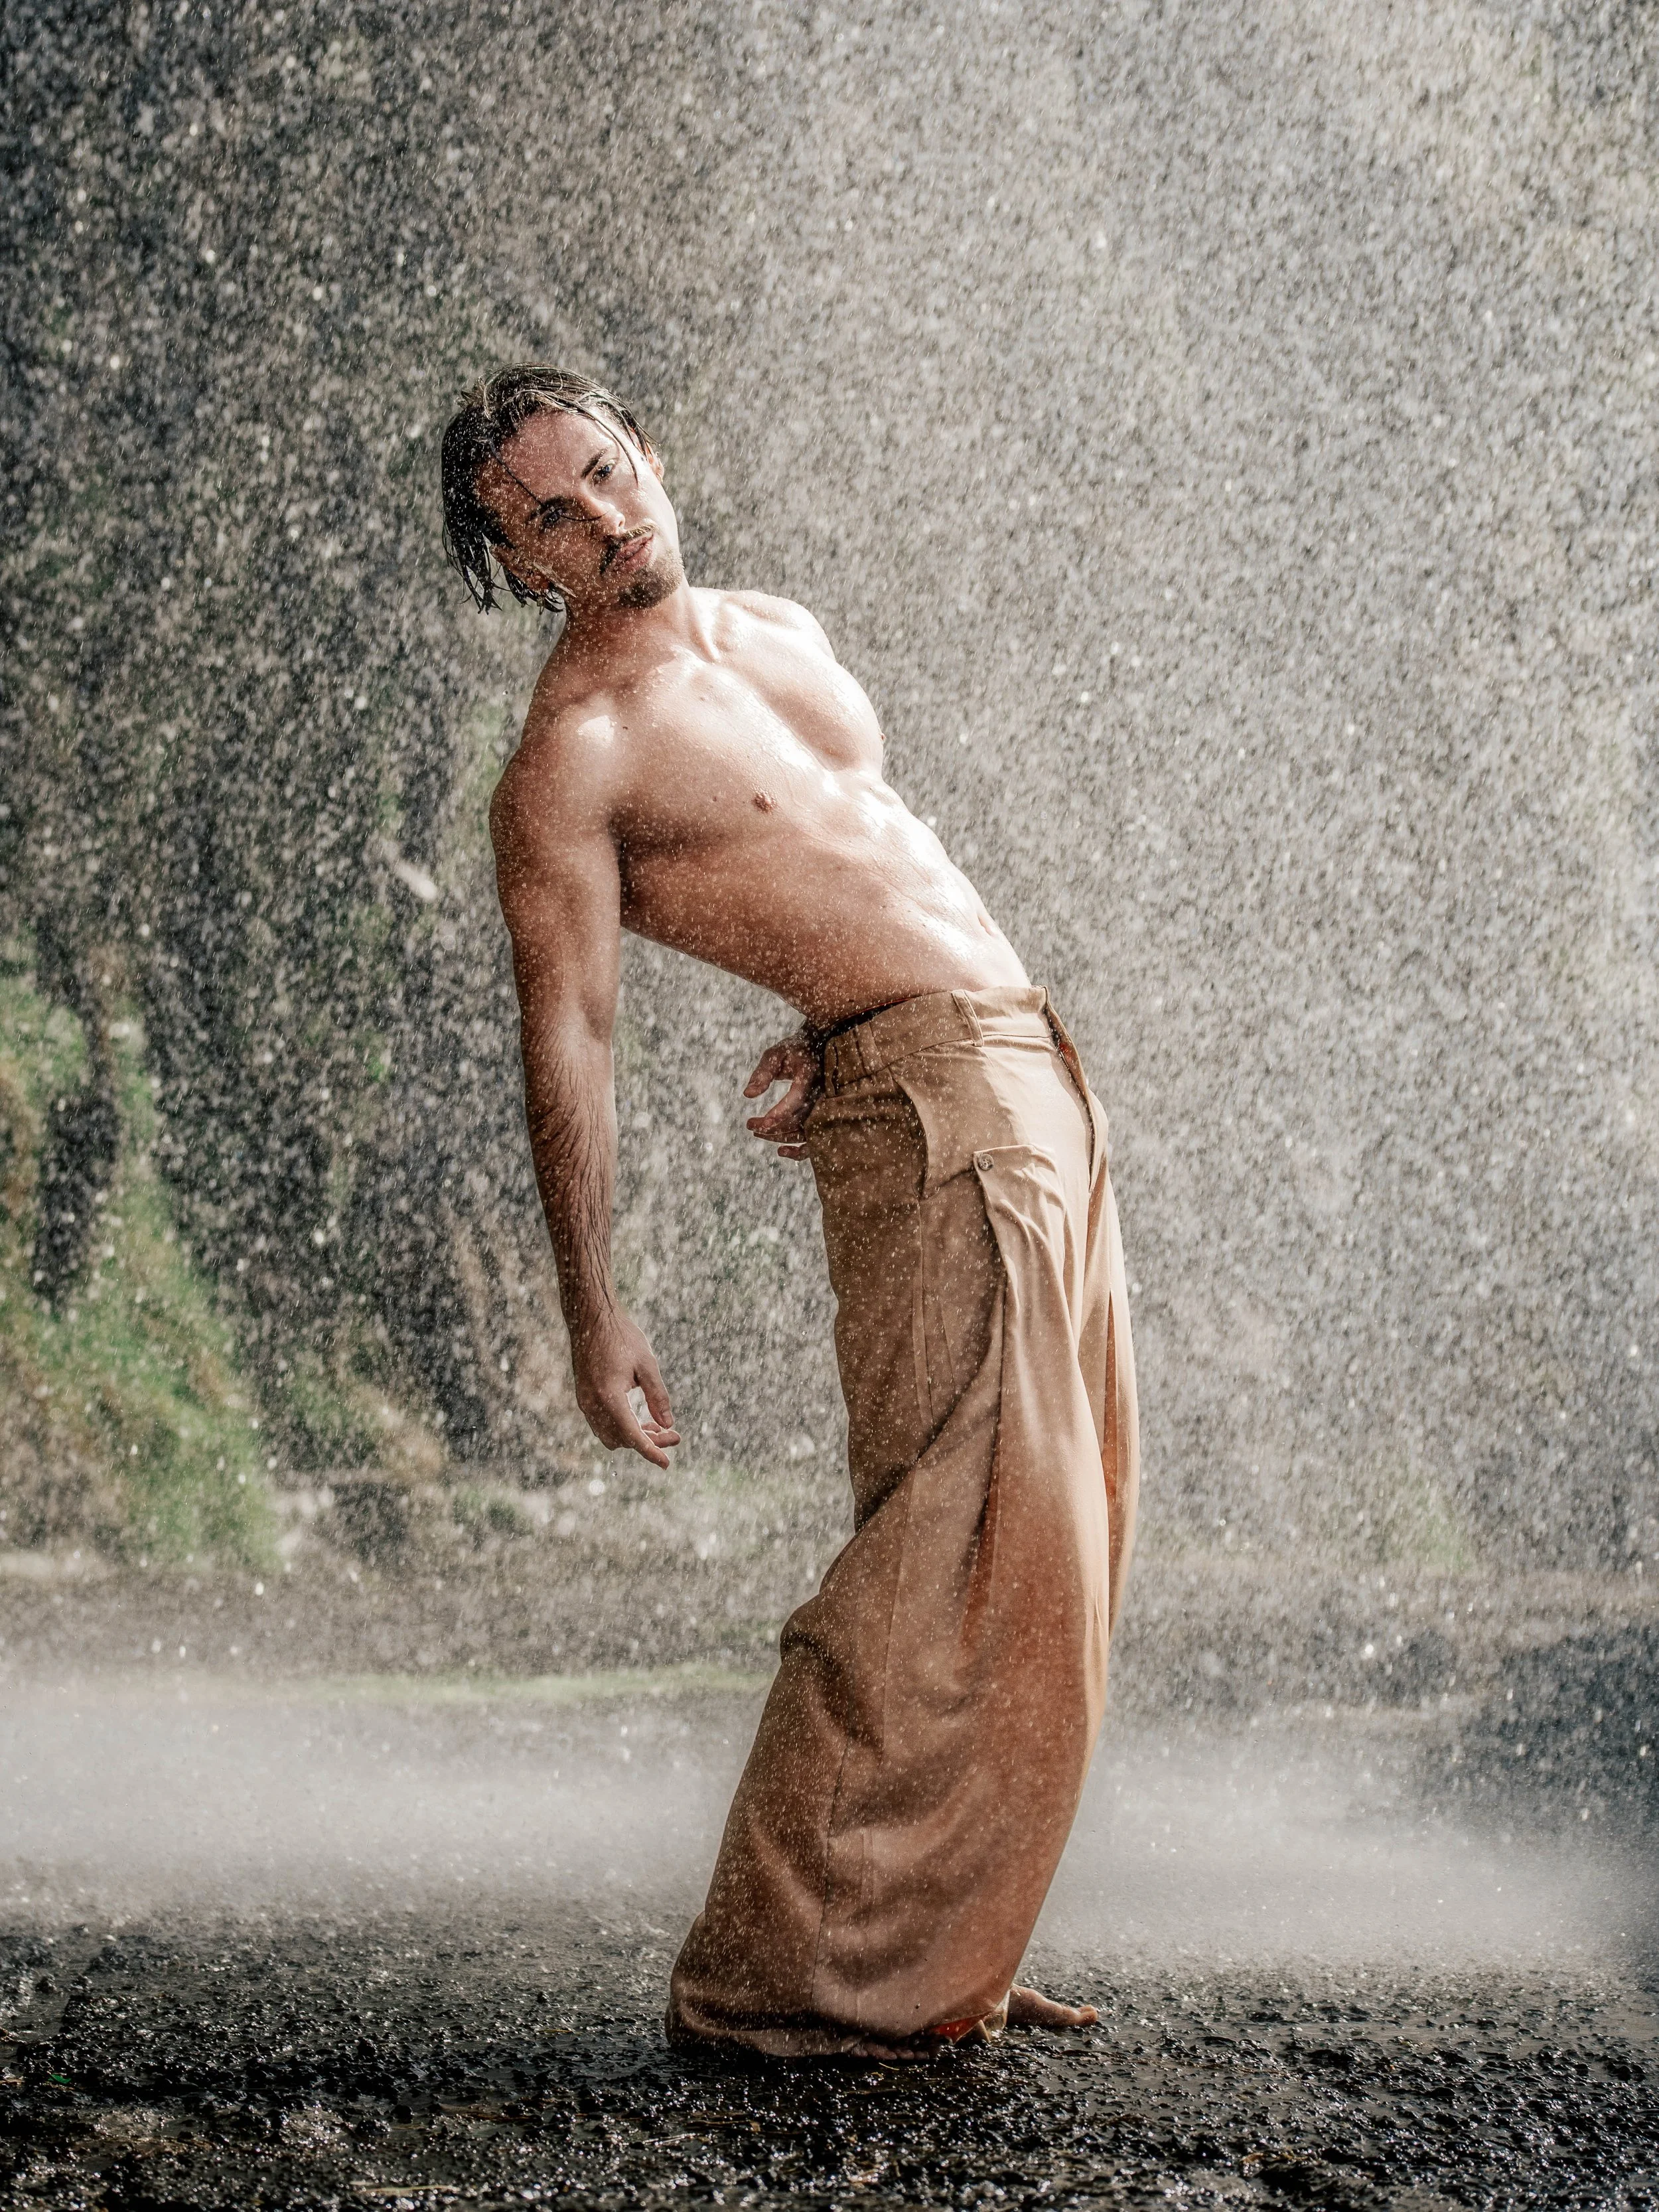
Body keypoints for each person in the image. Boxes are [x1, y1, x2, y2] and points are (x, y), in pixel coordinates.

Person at [439, 366, 1139, 2059]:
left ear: (648, 452)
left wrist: (831, 1007)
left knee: (1068, 1524)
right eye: (552, 514)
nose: (604, 518)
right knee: (960, 1533)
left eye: (607, 473)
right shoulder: (571, 758)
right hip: (940, 1106)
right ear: (516, 562)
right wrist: (589, 1305)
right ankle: (776, 1978)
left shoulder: (772, 629)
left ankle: (926, 1949)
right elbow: (575, 1037)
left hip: (1010, 1063)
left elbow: (843, 863)